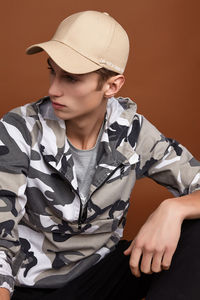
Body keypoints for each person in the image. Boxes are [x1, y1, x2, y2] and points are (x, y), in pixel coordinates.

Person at [0, 10, 199, 300]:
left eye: (71, 78)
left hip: (101, 275)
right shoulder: (18, 129)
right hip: (29, 287)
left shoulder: (133, 131)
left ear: (112, 85)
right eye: (52, 71)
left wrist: (173, 209)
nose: (54, 89)